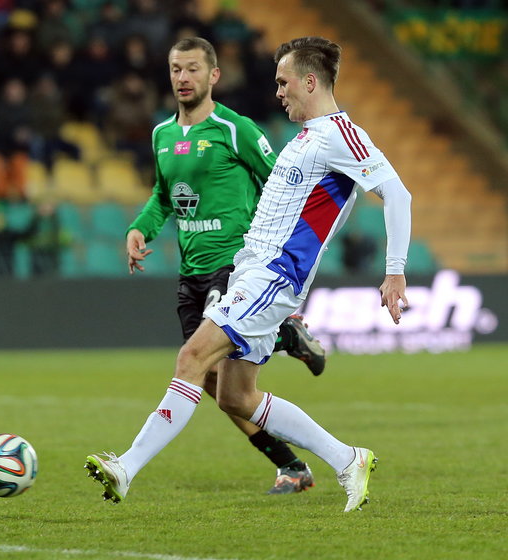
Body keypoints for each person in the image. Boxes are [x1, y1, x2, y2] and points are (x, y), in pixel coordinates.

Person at [87, 36, 412, 513]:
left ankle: (127, 468)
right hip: (251, 272)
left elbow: (398, 194)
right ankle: (349, 459)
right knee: (236, 396)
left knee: (192, 357)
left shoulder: (341, 134)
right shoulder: (306, 136)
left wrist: (395, 272)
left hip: (275, 275)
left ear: (309, 81)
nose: (278, 92)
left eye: (283, 82)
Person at [119, 37, 324, 495]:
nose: (182, 78)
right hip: (191, 273)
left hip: (235, 266)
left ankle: (282, 327)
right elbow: (161, 197)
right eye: (175, 69)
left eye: (192, 69)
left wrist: (280, 253)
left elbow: (282, 184)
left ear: (213, 75)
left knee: (195, 362)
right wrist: (141, 229)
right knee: (216, 388)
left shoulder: (236, 129)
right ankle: (293, 465)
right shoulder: (162, 136)